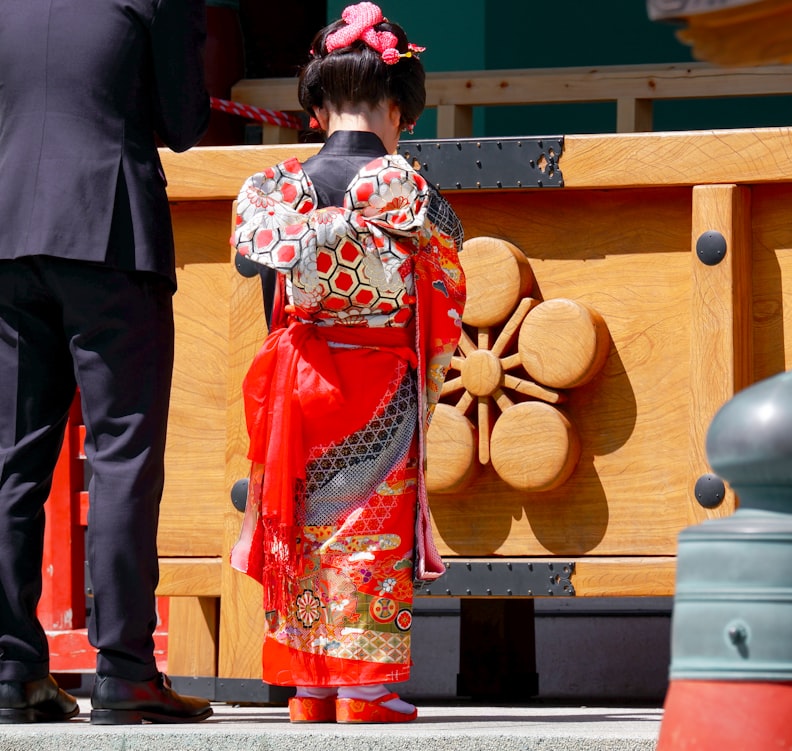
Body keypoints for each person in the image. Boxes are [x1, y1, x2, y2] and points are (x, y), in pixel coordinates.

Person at [229, 1, 466, 724]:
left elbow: (256, 267)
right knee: (370, 529)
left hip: (301, 379)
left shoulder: (278, 190)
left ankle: (311, 687)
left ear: (319, 105)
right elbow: (448, 290)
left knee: (299, 524)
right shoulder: (413, 194)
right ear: (398, 109)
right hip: (381, 377)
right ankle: (366, 689)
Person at [0, 0, 214, 725]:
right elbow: (185, 122)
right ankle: (124, 669)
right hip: (110, 229)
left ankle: (11, 667)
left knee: (12, 459)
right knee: (123, 452)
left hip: (10, 231)